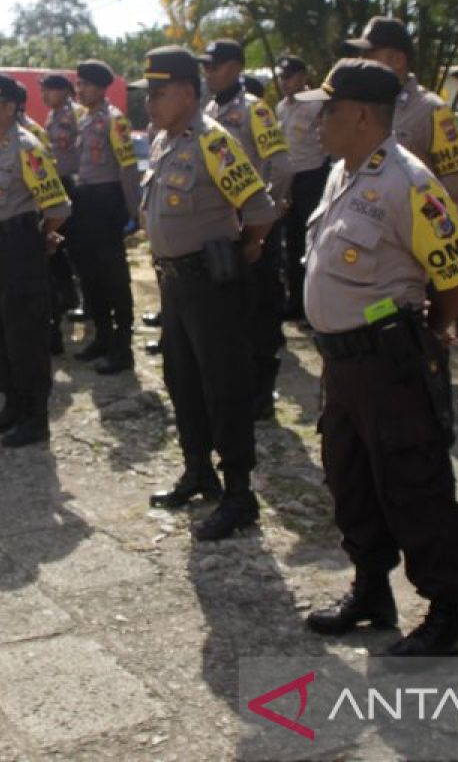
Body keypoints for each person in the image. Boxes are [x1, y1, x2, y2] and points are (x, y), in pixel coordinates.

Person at [299, 59, 458, 658]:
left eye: (328, 108)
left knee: (414, 481)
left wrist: (430, 330)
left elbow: (455, 276)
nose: (319, 119)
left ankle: (444, 613)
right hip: (343, 363)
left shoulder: (411, 183)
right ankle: (371, 591)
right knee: (350, 477)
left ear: (360, 114)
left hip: (389, 360)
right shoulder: (341, 173)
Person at [134, 46, 278, 541]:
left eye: (158, 93)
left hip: (210, 286)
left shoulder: (215, 143)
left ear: (188, 93)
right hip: (173, 285)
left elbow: (258, 211)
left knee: (225, 386)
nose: (149, 102)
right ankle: (199, 471)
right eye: (147, 93)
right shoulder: (160, 141)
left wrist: (245, 252)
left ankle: (240, 493)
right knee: (182, 380)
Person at [0, 73, 71, 447]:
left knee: (24, 336)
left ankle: (35, 418)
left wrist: (40, 237)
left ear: (10, 108)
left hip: (17, 248)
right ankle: (13, 405)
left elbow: (57, 205)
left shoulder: (26, 148)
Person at [199, 38, 293, 420]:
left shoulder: (255, 110)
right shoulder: (206, 111)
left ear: (236, 67)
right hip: (220, 230)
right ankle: (234, 387)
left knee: (259, 312)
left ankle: (261, 395)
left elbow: (281, 166)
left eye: (216, 66)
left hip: (254, 229)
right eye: (205, 67)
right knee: (227, 313)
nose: (209, 73)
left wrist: (263, 220)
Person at [346, 16, 458, 216]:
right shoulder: (366, 107)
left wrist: (410, 226)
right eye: (361, 55)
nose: (361, 62)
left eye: (369, 54)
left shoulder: (432, 111)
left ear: (398, 60)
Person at [71, 59, 140, 374]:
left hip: (107, 200)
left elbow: (127, 167)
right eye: (79, 84)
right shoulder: (85, 119)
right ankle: (102, 335)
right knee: (89, 272)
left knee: (112, 275)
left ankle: (122, 346)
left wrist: (132, 209)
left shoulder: (115, 121)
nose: (79, 89)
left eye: (84, 84)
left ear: (100, 87)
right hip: (85, 201)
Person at [276, 55, 330, 319]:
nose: (284, 82)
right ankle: (295, 302)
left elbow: (328, 142)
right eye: (282, 77)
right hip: (290, 181)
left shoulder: (317, 104)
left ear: (302, 77)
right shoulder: (281, 109)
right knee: (293, 245)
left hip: (313, 178)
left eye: (289, 77)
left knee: (314, 243)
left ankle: (315, 307)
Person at [41, 73, 83, 356]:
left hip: (74, 183)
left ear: (65, 92)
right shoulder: (51, 117)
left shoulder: (76, 115)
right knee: (59, 248)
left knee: (75, 247)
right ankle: (68, 296)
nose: (45, 95)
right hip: (55, 183)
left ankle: (77, 299)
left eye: (50, 90)